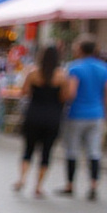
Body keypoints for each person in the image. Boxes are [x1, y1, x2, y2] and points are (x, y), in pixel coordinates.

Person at [61, 34, 107, 201]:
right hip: (97, 114)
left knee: (72, 150)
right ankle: (93, 185)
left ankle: (70, 185)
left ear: (80, 49)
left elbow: (71, 92)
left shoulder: (74, 68)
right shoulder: (104, 68)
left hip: (76, 114)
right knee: (94, 151)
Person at [12, 45, 70, 199]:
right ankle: (38, 186)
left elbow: (24, 92)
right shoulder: (62, 76)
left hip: (33, 115)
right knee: (46, 152)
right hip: (52, 117)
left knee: (28, 149)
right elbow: (65, 97)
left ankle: (22, 179)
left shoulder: (33, 73)